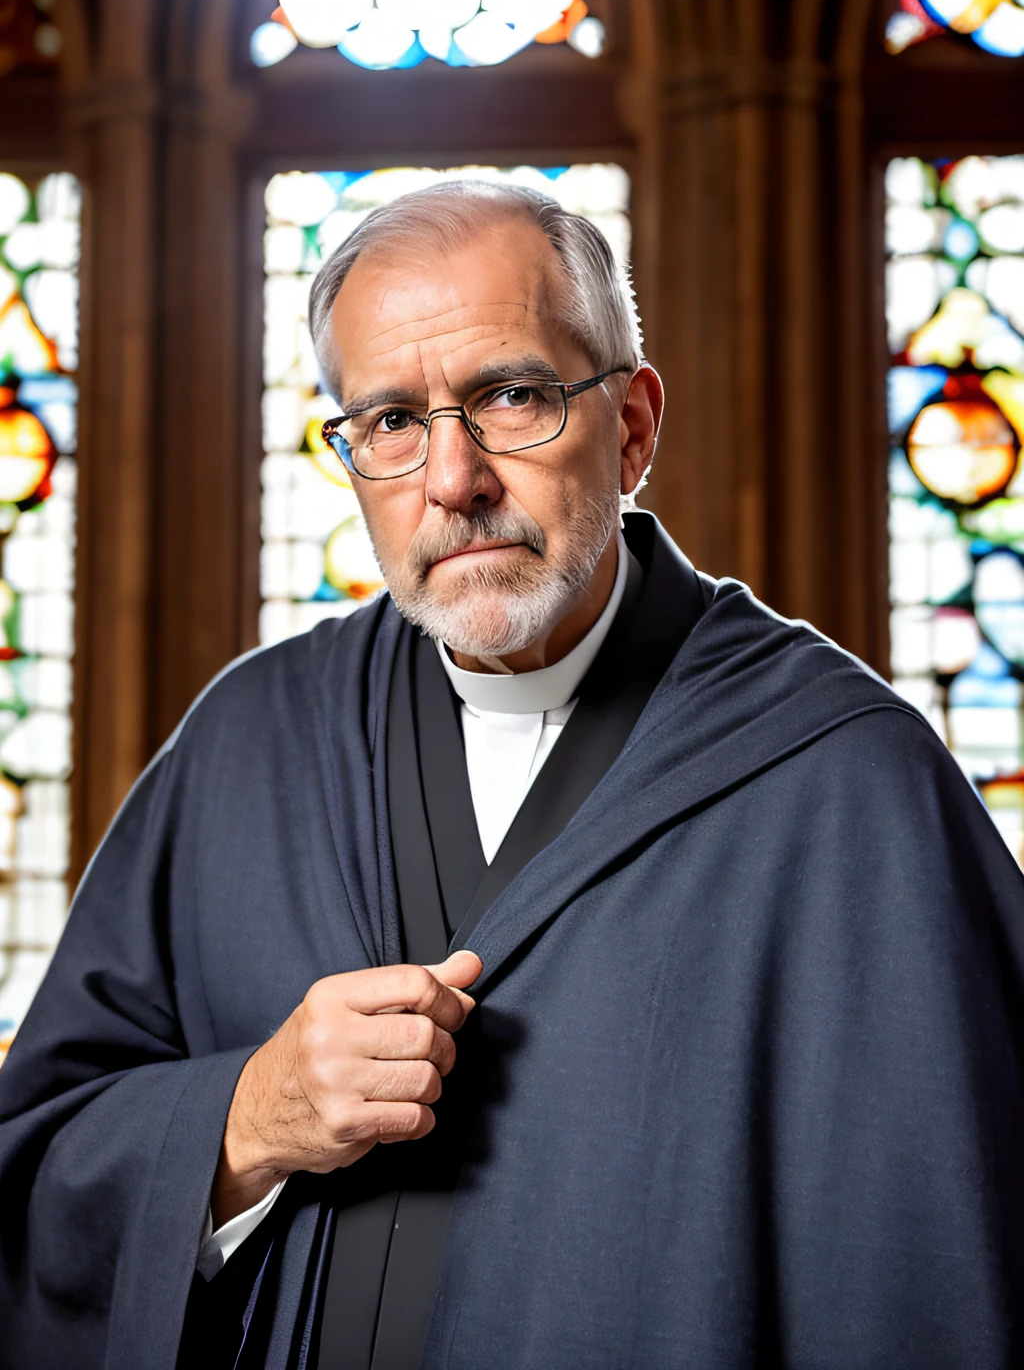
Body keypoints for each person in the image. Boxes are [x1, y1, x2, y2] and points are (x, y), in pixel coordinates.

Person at [2, 181, 1024, 1370]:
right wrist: (244, 1118)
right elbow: (37, 1173)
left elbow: (944, 1275)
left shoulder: (851, 785)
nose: (453, 478)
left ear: (632, 428)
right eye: (389, 421)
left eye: (511, 396)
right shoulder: (247, 742)